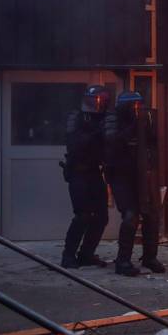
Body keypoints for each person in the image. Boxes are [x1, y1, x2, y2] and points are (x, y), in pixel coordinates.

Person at [104, 91, 164, 276]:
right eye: (134, 106)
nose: (137, 110)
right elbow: (113, 142)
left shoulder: (146, 118)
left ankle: (150, 257)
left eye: (140, 106)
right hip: (121, 175)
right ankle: (123, 261)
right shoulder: (113, 120)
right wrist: (132, 126)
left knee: (152, 215)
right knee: (131, 216)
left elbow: (153, 144)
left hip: (142, 174)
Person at [60, 85, 110, 268]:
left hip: (94, 172)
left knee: (101, 216)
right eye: (91, 100)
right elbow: (75, 144)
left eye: (97, 100)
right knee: (82, 215)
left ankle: (86, 254)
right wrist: (96, 133)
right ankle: (68, 255)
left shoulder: (105, 119)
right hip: (78, 172)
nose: (93, 104)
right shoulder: (77, 118)